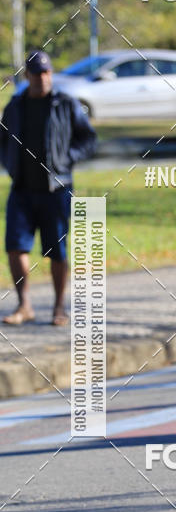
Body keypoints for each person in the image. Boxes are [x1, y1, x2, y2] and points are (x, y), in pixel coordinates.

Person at [0, 49, 96, 326]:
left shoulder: (65, 104)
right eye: (36, 73)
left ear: (51, 74)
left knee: (57, 251)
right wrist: (9, 164)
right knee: (15, 247)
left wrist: (68, 158)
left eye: (46, 72)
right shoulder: (15, 107)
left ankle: (58, 307)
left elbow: (88, 139)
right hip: (22, 189)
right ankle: (24, 305)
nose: (42, 78)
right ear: (27, 76)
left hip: (57, 189)